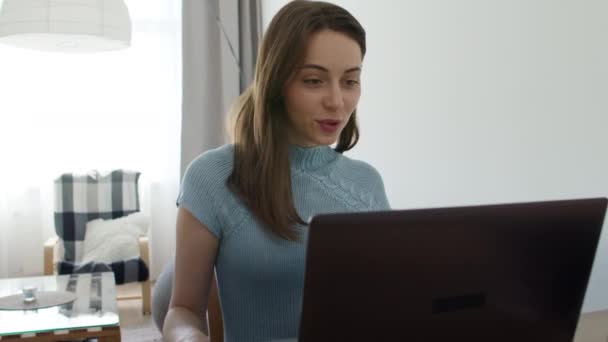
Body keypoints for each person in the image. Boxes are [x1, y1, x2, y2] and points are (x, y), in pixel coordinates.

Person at [155, 1, 390, 341]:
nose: (337, 101)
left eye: (350, 81)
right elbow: (182, 311)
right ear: (277, 81)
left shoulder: (368, 183)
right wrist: (189, 338)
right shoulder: (212, 177)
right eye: (314, 80)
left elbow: (388, 301)